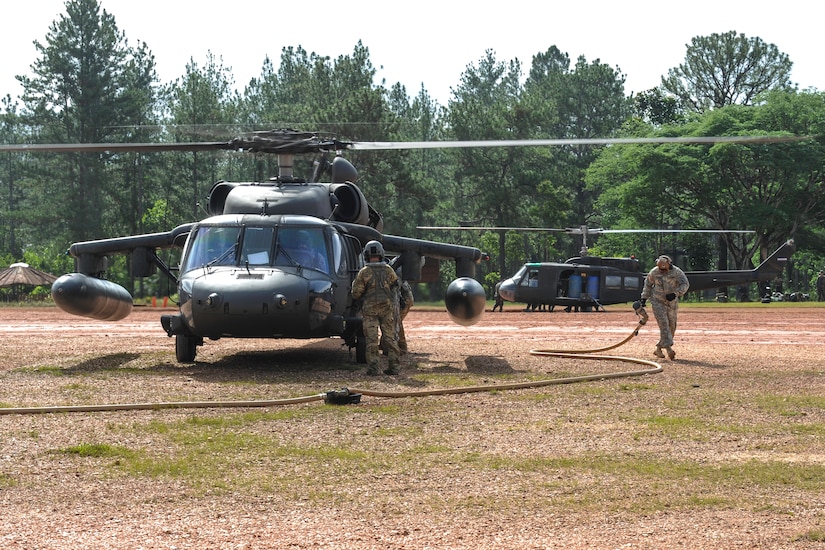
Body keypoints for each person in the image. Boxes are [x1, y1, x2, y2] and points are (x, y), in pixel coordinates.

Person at [351, 240, 401, 375]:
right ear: (381, 253)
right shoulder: (388, 270)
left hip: (370, 311)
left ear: (366, 254)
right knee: (389, 338)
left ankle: (373, 369)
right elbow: (396, 285)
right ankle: (394, 367)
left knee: (372, 340)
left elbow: (356, 293)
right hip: (387, 309)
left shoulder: (364, 272)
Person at [639, 255, 689, 360]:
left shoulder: (677, 272)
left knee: (672, 326)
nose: (662, 271)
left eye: (664, 269)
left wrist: (676, 293)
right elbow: (647, 285)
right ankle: (669, 349)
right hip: (657, 302)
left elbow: (685, 284)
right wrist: (644, 298)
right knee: (664, 324)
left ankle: (658, 348)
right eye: (660, 269)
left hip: (671, 303)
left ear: (669, 265)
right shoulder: (654, 272)